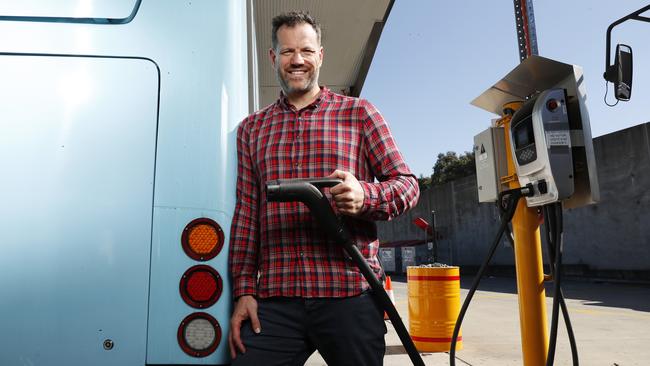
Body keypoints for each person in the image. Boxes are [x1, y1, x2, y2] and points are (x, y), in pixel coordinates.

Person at [228, 11, 419, 366]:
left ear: (320, 55)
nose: (297, 60)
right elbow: (246, 216)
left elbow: (407, 186)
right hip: (276, 300)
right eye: (287, 52)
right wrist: (244, 292)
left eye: (305, 50)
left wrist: (366, 195)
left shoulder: (360, 114)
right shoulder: (251, 130)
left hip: (349, 293)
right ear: (274, 58)